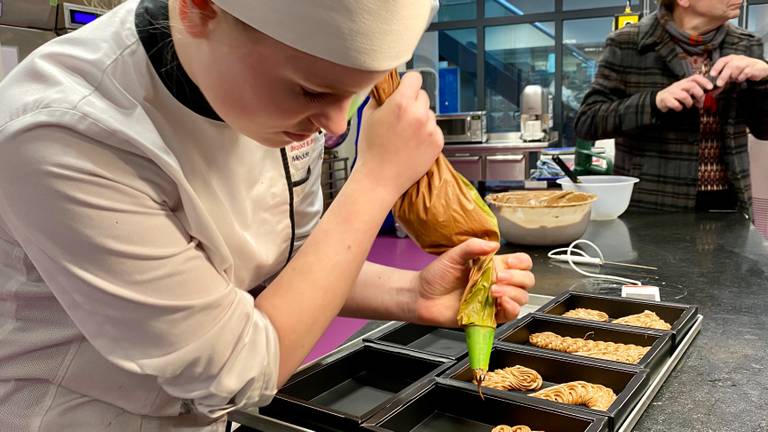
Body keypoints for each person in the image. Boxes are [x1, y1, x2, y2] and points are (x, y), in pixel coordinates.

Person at [0, 0, 536, 430]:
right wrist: (375, 181)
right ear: (196, 8)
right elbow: (237, 373)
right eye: (310, 90)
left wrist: (411, 295)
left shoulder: (270, 100)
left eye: (350, 97)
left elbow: (289, 264)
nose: (331, 127)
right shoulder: (65, 133)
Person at [575, 0, 768, 213]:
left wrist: (764, 79)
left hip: (729, 206)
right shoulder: (628, 43)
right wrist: (655, 102)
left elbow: (764, 129)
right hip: (652, 208)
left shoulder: (747, 46)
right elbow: (587, 120)